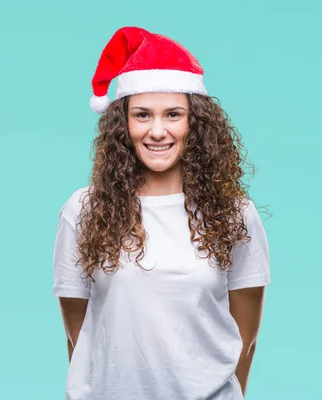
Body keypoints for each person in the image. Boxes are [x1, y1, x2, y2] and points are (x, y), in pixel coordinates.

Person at [52, 26, 271, 400]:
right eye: (142, 115)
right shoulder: (83, 211)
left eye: (173, 114)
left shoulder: (235, 213)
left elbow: (245, 341)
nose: (157, 131)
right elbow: (78, 332)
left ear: (195, 123)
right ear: (123, 125)